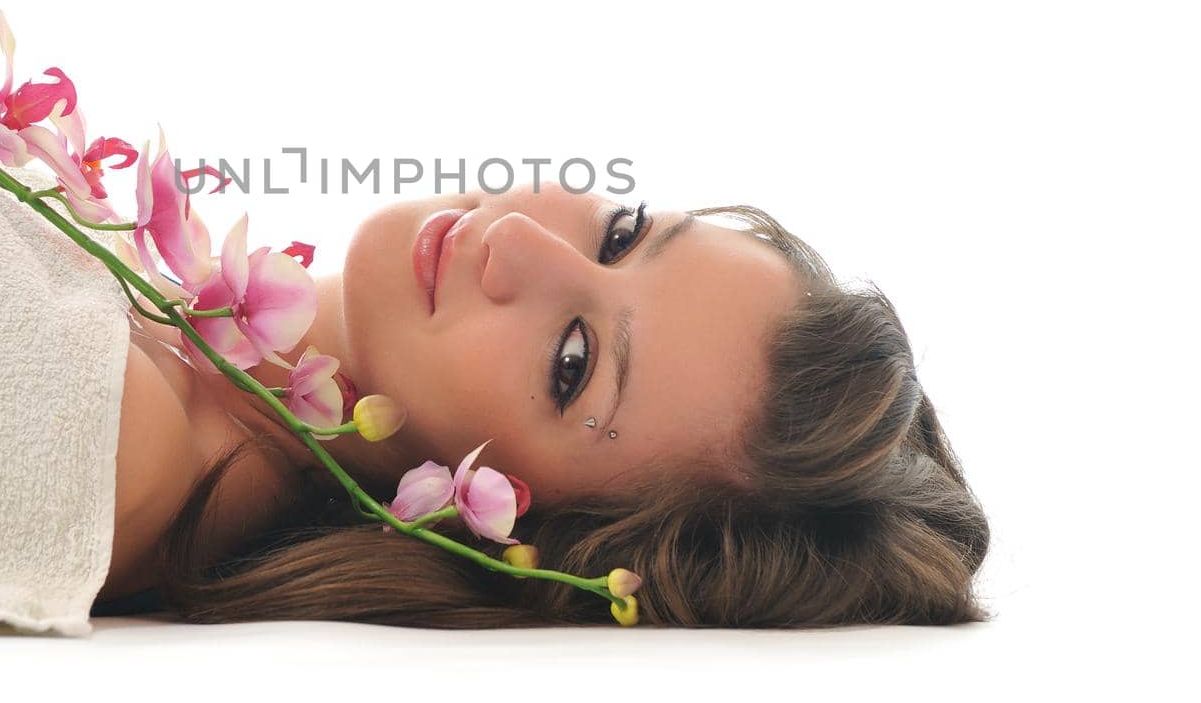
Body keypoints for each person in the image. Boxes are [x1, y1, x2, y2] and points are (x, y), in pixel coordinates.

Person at [91, 186, 992, 628]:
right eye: (621, 233)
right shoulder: (155, 336)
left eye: (573, 361)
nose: (516, 238)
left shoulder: (123, 439)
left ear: (520, 527)